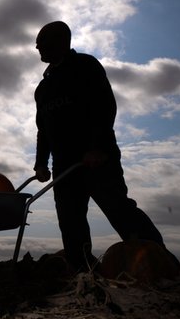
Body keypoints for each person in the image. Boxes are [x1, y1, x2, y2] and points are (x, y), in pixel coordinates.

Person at [32, 21, 165, 271]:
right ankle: (83, 271)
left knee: (118, 209)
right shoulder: (43, 88)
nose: (37, 45)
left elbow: (105, 108)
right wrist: (41, 162)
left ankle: (158, 261)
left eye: (43, 40)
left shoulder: (85, 66)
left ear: (62, 41)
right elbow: (43, 130)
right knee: (70, 221)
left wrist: (97, 148)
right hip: (64, 165)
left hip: (97, 158)